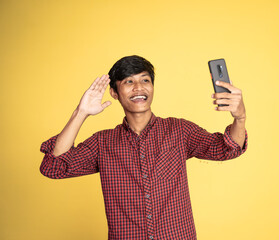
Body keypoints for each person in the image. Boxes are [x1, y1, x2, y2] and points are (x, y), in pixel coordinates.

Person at [40, 55, 248, 240]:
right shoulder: (102, 143)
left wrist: (240, 117)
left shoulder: (179, 130)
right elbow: (54, 167)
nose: (139, 88)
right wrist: (81, 112)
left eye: (145, 80)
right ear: (114, 92)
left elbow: (227, 149)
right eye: (129, 82)